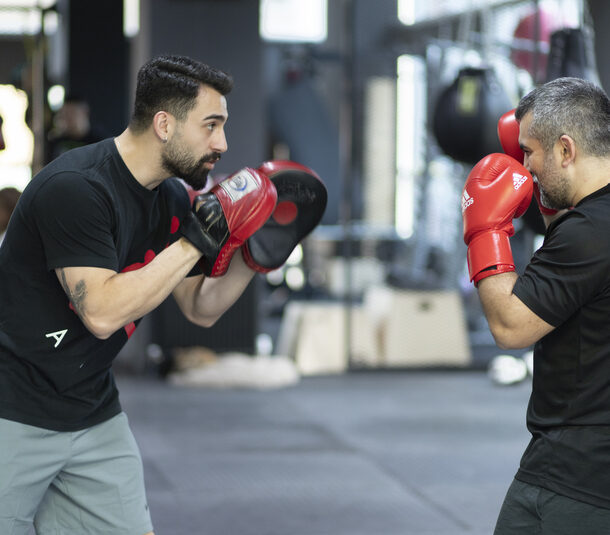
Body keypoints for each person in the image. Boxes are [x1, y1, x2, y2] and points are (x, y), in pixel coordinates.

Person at [0, 54, 326, 535]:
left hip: (91, 412)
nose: (222, 144)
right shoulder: (76, 190)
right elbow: (104, 312)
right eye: (211, 126)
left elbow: (201, 307)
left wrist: (254, 258)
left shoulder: (172, 199)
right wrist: (196, 239)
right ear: (164, 124)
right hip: (12, 411)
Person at [461, 76, 610, 534]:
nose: (523, 167)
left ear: (566, 151)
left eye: (529, 153)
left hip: (572, 476)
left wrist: (484, 230)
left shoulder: (587, 233)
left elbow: (510, 326)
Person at [46, 95, 107, 163]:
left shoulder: (100, 143)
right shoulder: (57, 142)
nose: (67, 118)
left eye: (72, 113)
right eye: (65, 114)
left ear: (85, 112)